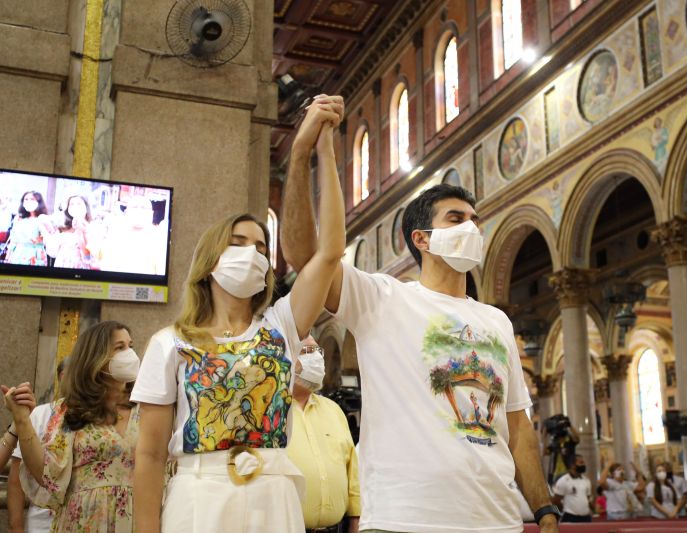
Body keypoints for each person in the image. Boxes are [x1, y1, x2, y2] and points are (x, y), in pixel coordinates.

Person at [283, 176, 560, 528]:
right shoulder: (383, 299)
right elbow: (308, 260)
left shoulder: (497, 321)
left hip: (497, 520)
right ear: (421, 238)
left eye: (475, 220)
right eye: (457, 219)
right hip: (405, 519)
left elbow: (518, 427)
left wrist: (544, 509)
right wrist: (306, 149)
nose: (472, 227)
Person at [132, 96, 346, 533]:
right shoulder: (171, 342)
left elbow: (329, 254)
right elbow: (150, 455)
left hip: (273, 491)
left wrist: (315, 152)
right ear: (211, 260)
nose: (251, 253)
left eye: (261, 247)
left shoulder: (281, 327)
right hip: (199, 495)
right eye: (237, 242)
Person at [2, 321, 140, 532]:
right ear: (96, 357)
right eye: (119, 347)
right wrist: (21, 420)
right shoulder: (70, 410)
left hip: (138, 518)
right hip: (82, 520)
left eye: (131, 345)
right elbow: (47, 473)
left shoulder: (148, 408)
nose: (130, 354)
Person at [287, 337, 360, 533]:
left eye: (318, 352)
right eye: (307, 351)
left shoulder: (333, 410)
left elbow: (352, 470)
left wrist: (356, 521)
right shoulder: (271, 412)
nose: (317, 360)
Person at [7, 359, 68, 533]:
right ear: (64, 377)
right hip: (42, 523)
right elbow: (17, 478)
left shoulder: (98, 416)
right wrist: (16, 526)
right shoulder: (39, 415)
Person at [46, 195, 97, 269]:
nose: (75, 206)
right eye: (71, 204)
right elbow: (52, 252)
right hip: (61, 265)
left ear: (86, 207)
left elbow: (88, 257)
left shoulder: (92, 228)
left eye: (79, 204)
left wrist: (81, 232)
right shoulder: (62, 228)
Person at [4, 191, 52, 266]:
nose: (28, 201)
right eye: (26, 199)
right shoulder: (19, 218)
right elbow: (13, 240)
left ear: (39, 202)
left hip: (35, 256)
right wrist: (7, 258)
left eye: (32, 199)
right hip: (17, 255)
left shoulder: (43, 219)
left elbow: (50, 238)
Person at [552, 454, 592, 522]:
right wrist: (564, 510)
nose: (584, 465)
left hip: (586, 517)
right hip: (570, 516)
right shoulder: (563, 480)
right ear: (572, 465)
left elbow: (588, 498)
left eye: (583, 462)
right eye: (581, 462)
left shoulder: (586, 480)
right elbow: (556, 500)